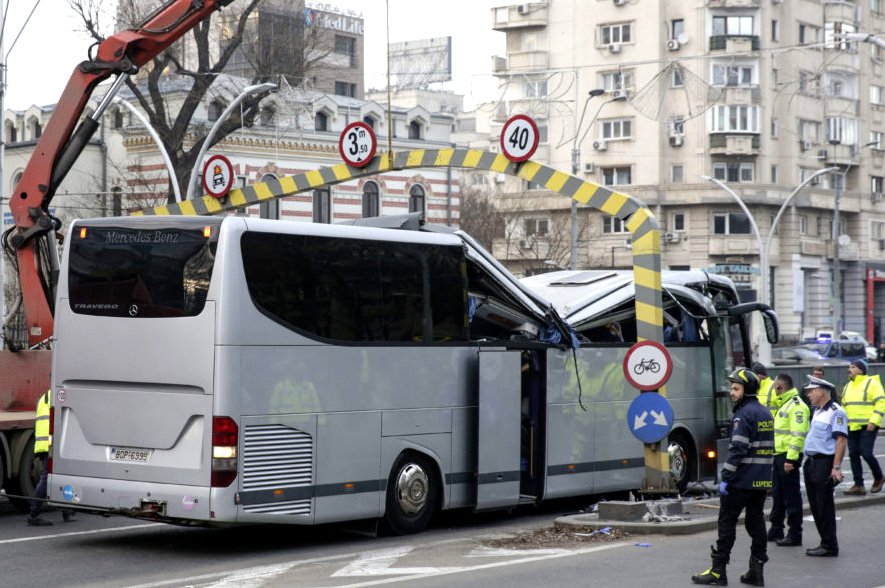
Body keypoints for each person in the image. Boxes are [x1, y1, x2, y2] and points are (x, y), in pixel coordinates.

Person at [691, 368, 774, 587]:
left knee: (726, 523)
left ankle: (718, 572)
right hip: (760, 481)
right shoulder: (765, 413)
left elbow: (738, 448)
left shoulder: (743, 415)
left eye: (736, 388)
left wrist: (726, 476)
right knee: (756, 524)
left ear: (747, 391)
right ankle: (756, 571)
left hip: (741, 481)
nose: (731, 392)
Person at [802, 376, 848, 557]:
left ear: (821, 391)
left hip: (824, 463)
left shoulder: (836, 412)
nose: (808, 394)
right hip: (812, 462)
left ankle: (830, 545)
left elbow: (841, 440)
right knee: (815, 506)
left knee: (824, 506)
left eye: (811, 391)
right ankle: (825, 542)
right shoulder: (818, 411)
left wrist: (836, 467)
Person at [767, 373, 810, 546]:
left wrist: (790, 460)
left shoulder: (796, 406)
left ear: (779, 387)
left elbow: (797, 436)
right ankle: (776, 528)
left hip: (787, 457)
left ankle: (795, 533)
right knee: (778, 494)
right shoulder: (784, 404)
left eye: (773, 388)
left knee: (791, 496)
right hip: (779, 455)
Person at [26, 390, 74, 526]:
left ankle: (67, 510)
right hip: (51, 444)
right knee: (47, 478)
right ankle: (33, 514)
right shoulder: (58, 395)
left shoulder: (45, 396)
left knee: (62, 476)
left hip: (46, 443)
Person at [840, 358, 885, 495]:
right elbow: (844, 407)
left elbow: (881, 403)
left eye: (853, 367)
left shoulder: (872, 383)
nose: (850, 369)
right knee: (853, 454)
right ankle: (858, 485)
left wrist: (873, 421)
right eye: (849, 367)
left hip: (868, 425)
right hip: (852, 426)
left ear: (862, 370)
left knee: (866, 453)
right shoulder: (847, 386)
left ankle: (879, 477)